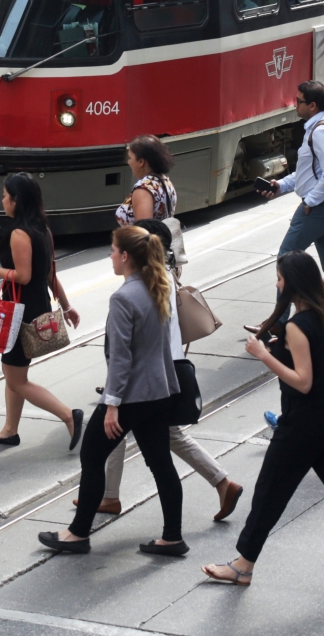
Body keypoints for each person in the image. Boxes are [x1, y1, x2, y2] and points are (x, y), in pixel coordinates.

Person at [203, 251, 324, 595]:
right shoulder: (323, 314)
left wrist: (264, 355)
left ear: (291, 282)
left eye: (279, 279)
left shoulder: (297, 324)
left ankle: (242, 567)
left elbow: (304, 381)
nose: (277, 285)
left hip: (303, 423)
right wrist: (284, 348)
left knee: (268, 494)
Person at [98, 136, 243, 520]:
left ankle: (218, 483)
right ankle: (108, 493)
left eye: (130, 157)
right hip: (162, 288)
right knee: (128, 423)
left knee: (143, 425)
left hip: (152, 333)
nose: (128, 162)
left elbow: (145, 231)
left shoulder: (144, 191)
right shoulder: (166, 184)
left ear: (141, 161)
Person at [38, 225, 184, 558]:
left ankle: (77, 534)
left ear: (125, 257)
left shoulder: (123, 297)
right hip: (158, 392)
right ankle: (172, 536)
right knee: (161, 464)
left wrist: (113, 404)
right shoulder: (155, 287)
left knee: (91, 456)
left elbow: (121, 358)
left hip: (130, 395)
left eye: (113, 250)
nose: (110, 256)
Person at [0, 173, 82, 447]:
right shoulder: (42, 229)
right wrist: (66, 306)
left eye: (4, 195)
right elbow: (49, 274)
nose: (2, 200)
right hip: (35, 307)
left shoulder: (19, 233)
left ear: (16, 200)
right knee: (16, 374)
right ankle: (10, 429)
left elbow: (23, 275)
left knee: (16, 378)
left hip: (19, 314)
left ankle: (69, 416)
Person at [259, 81, 324, 284]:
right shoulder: (315, 127)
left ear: (313, 105)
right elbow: (309, 172)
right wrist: (282, 185)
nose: (295, 105)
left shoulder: (321, 132)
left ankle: (281, 317)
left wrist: (310, 202)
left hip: (319, 207)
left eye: (299, 101)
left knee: (285, 260)